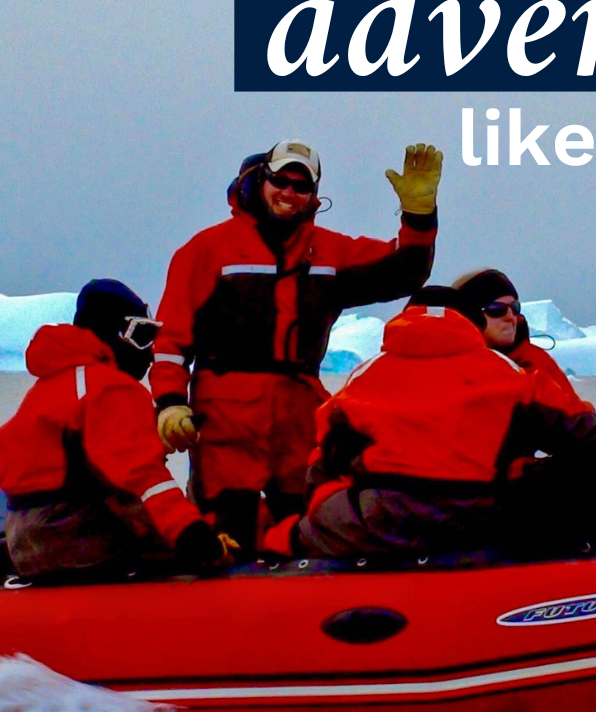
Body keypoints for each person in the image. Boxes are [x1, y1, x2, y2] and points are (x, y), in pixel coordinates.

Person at [152, 139, 442, 555]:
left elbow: (403, 271)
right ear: (259, 179)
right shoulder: (207, 250)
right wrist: (168, 402)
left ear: (315, 195)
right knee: (228, 532)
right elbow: (171, 338)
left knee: (306, 533)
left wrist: (419, 214)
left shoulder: (330, 251)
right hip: (226, 422)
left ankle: (305, 613)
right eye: (281, 181)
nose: (289, 192)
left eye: (301, 186)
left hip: (299, 421)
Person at [262, 288, 596, 562]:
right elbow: (583, 431)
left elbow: (324, 464)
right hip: (484, 518)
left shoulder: (364, 376)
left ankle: (266, 560)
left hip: (385, 520)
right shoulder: (506, 371)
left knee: (311, 519)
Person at [0, 279, 231, 582]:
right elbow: (144, 479)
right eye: (143, 337)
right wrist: (197, 538)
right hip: (76, 538)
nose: (149, 354)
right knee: (186, 545)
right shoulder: (112, 388)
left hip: (27, 542)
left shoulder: (54, 385)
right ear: (113, 332)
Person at [452, 269, 595, 415]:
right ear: (470, 315)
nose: (510, 317)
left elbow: (576, 415)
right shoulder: (450, 365)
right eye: (497, 309)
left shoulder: (535, 360)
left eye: (514, 308)